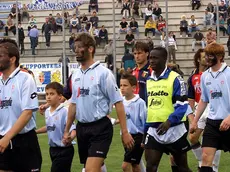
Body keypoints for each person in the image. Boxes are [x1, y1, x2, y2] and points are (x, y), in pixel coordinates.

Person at [63, 33, 134, 172]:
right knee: (96, 168)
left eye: (79, 47)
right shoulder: (75, 75)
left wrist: (125, 132)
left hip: (100, 128)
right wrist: (67, 130)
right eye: (74, 47)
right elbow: (73, 104)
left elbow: (118, 103)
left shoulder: (104, 74)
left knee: (90, 169)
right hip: (82, 128)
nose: (76, 50)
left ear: (90, 49)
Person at [145, 47, 191, 172]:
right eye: (150, 58)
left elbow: (182, 105)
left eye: (155, 58)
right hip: (154, 130)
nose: (151, 61)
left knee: (182, 168)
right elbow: (148, 107)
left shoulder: (176, 78)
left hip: (174, 130)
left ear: (164, 59)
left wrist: (169, 122)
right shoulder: (148, 80)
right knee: (150, 167)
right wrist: (145, 130)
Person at [0, 38, 42, 171]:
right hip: (3, 140)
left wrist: (8, 137)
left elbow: (27, 112)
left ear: (12, 59)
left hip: (24, 141)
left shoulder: (25, 79)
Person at [190, 43, 230, 172]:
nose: (206, 58)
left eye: (210, 56)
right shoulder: (205, 76)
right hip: (212, 123)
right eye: (206, 55)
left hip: (229, 121)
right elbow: (204, 100)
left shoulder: (229, 73)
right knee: (206, 159)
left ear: (219, 56)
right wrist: (195, 121)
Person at [36, 82, 76, 172]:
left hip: (64, 150)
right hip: (53, 149)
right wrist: (36, 132)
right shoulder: (47, 112)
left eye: (52, 94)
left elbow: (73, 129)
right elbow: (50, 127)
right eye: (47, 94)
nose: (48, 97)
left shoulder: (65, 111)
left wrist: (71, 138)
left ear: (60, 96)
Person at [120, 73, 147, 172]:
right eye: (121, 85)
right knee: (135, 165)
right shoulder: (121, 102)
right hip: (125, 136)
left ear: (134, 88)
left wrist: (145, 139)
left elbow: (145, 121)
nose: (122, 88)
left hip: (136, 137)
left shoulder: (140, 103)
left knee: (125, 165)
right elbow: (124, 118)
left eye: (125, 85)